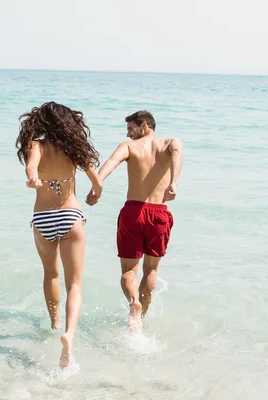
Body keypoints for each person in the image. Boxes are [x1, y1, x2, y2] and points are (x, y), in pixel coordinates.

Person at [16, 101, 103, 368]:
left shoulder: (36, 145)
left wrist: (33, 178)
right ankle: (69, 334)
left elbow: (32, 167)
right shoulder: (74, 148)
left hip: (43, 218)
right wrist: (94, 195)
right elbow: (97, 182)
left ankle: (54, 324)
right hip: (70, 216)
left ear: (39, 122)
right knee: (74, 284)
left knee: (50, 275)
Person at [86, 110, 183, 333]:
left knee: (128, 271)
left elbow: (111, 163)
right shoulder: (170, 143)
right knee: (151, 271)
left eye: (131, 128)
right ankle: (141, 319)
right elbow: (177, 155)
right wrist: (174, 183)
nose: (128, 134)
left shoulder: (128, 147)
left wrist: (96, 186)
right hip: (159, 213)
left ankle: (133, 304)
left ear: (145, 125)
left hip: (133, 212)